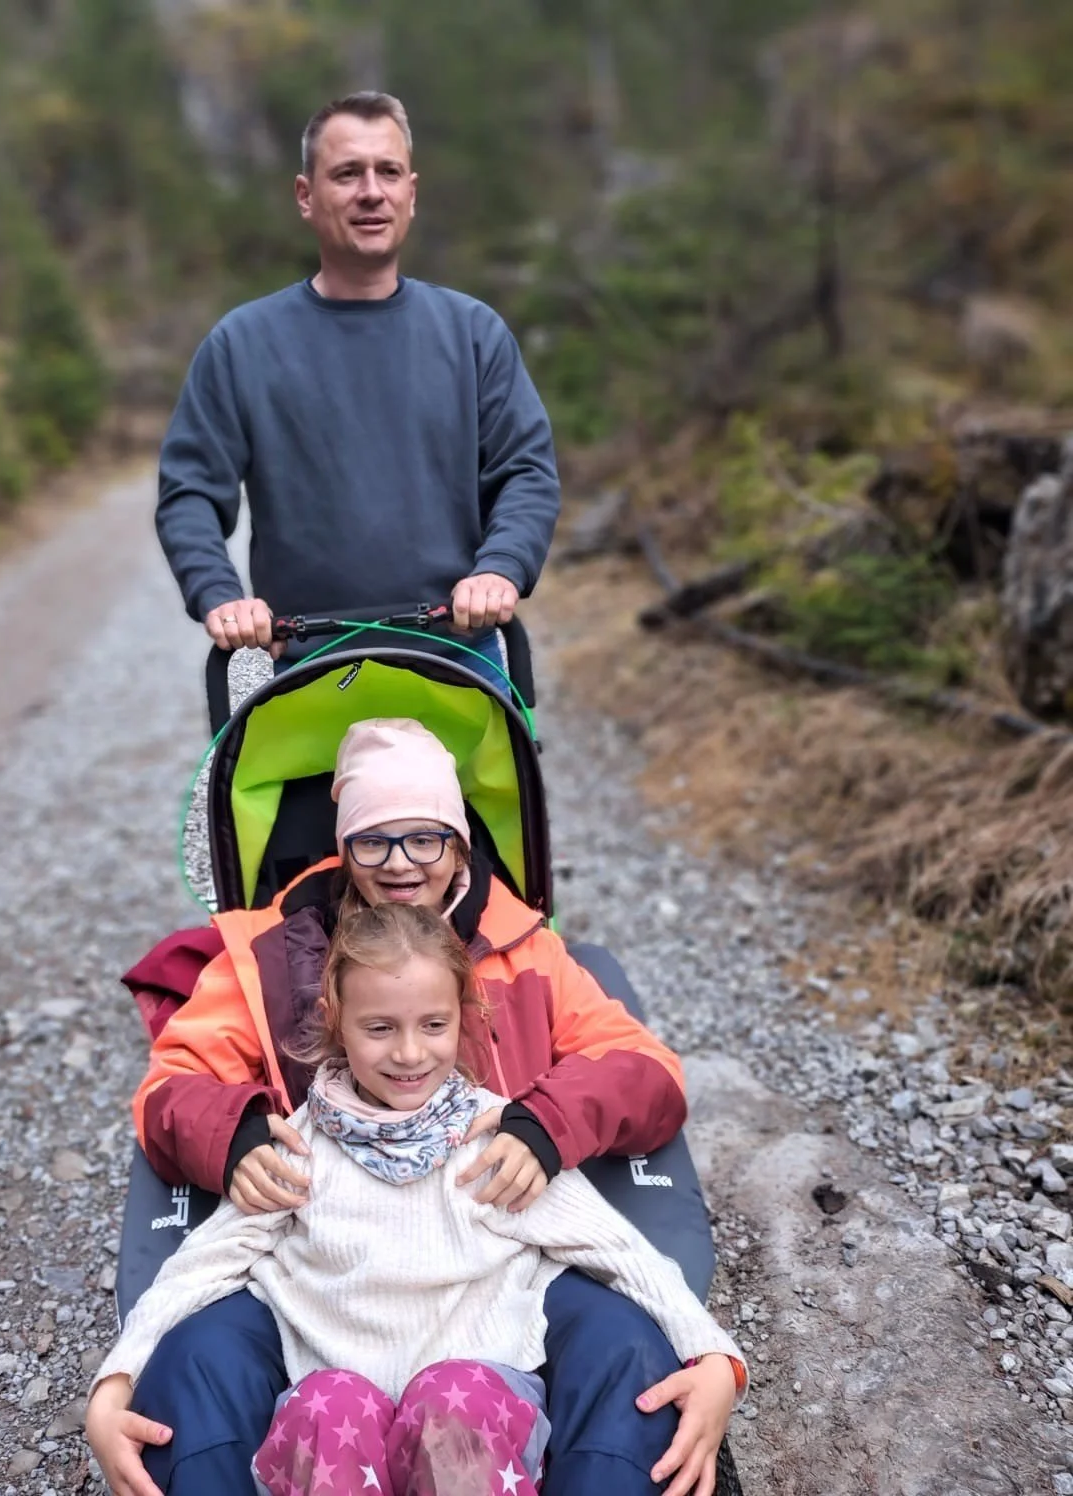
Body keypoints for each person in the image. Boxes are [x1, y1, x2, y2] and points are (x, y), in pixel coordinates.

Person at [97, 718, 698, 1495]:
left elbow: (645, 1071)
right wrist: (236, 1134)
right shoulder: (268, 954)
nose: (401, 862)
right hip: (324, 1249)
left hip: (493, 1243)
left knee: (625, 1348)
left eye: (424, 838)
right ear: (343, 847)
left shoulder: (526, 949)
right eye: (373, 841)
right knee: (196, 1359)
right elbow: (174, 1081)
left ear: (459, 842)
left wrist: (548, 1123)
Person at [154, 91, 561, 687]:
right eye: (347, 174)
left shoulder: (475, 334)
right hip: (301, 670)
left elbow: (525, 471)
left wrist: (500, 568)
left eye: (388, 172)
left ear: (411, 193)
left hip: (460, 664)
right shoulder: (242, 345)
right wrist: (220, 595)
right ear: (305, 196)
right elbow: (188, 492)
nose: (372, 192)